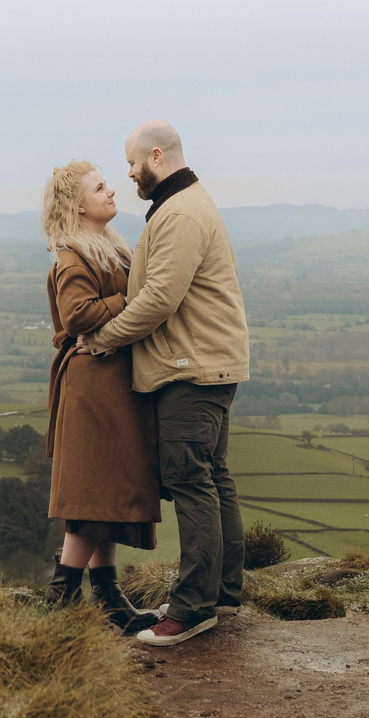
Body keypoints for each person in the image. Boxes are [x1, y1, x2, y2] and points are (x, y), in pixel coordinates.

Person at [83, 120, 250, 646]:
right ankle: (221, 590)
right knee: (213, 476)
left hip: (191, 367)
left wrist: (104, 339)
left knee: (190, 480)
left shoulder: (179, 213)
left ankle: (193, 608)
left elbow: (159, 298)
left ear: (156, 156)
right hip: (208, 362)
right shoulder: (186, 204)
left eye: (132, 164)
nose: (128, 174)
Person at [39, 159, 161, 633]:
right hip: (94, 389)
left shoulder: (108, 247)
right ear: (77, 204)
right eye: (100, 187)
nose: (112, 192)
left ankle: (107, 600)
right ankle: (61, 598)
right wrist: (133, 300)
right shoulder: (74, 254)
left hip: (112, 387)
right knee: (92, 496)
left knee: (104, 495)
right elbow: (77, 316)